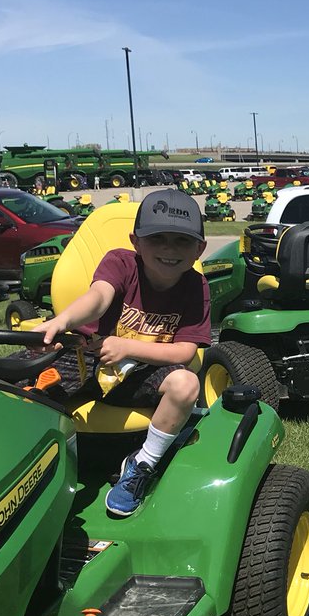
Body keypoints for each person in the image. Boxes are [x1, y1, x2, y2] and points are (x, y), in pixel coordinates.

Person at [42, 189, 210, 517]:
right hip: (90, 357)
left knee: (187, 384)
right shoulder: (120, 262)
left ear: (199, 249)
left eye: (182, 241)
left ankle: (141, 465)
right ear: (136, 241)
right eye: (157, 238)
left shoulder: (196, 286)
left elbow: (187, 351)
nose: (169, 249)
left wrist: (128, 347)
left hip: (144, 371)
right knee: (16, 380)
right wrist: (62, 320)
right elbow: (99, 297)